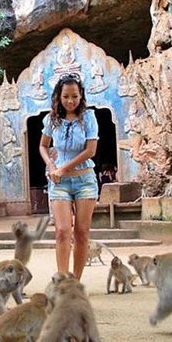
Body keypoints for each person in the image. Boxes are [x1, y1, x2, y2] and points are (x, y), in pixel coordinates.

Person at [39, 73, 99, 280]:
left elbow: (91, 150)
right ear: (59, 97)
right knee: (63, 230)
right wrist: (51, 164)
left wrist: (64, 168)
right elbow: (43, 145)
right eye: (66, 96)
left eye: (74, 96)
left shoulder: (88, 118)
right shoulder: (51, 119)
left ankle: (77, 280)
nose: (70, 101)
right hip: (59, 183)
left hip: (84, 181)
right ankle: (62, 280)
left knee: (82, 232)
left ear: (81, 95)